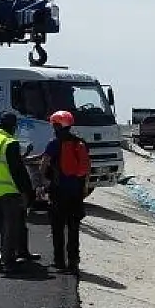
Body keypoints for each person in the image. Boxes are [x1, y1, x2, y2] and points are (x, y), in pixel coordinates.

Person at [0, 111, 37, 274]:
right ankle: (8, 261)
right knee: (10, 227)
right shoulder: (10, 142)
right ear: (13, 126)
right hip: (8, 190)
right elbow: (17, 171)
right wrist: (27, 192)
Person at [39, 110, 90, 273]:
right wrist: (84, 189)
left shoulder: (54, 144)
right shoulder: (80, 143)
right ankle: (74, 260)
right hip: (76, 193)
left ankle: (59, 261)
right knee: (74, 228)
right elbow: (87, 170)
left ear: (57, 126)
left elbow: (43, 165)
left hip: (58, 192)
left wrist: (44, 182)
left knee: (58, 228)